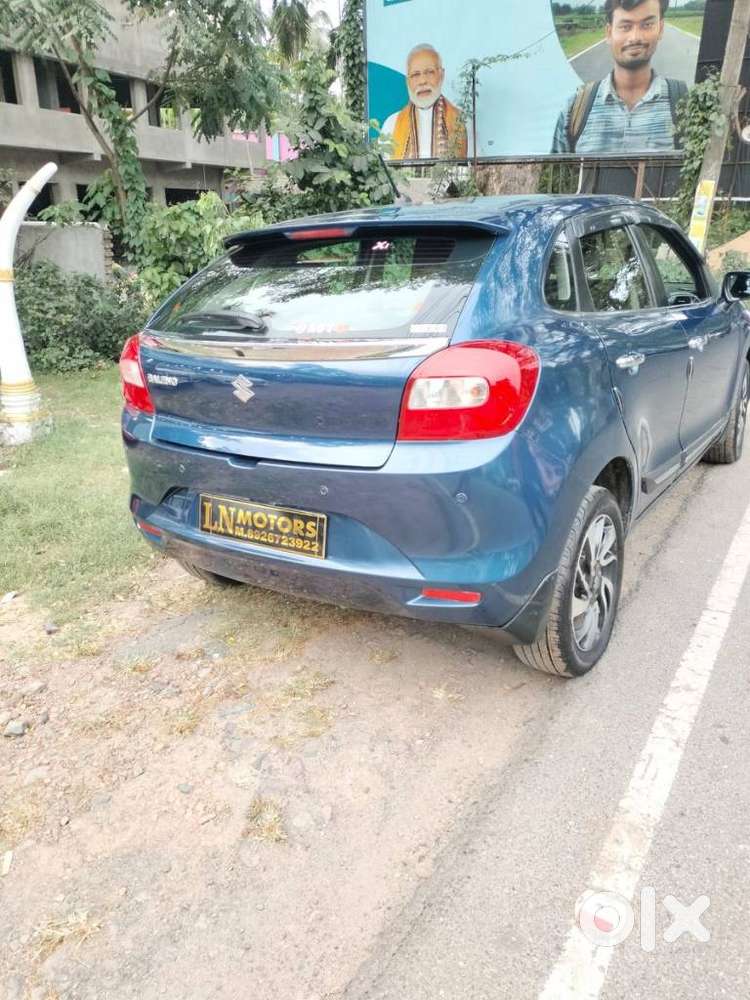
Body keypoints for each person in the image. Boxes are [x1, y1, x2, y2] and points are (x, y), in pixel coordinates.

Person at [551, 0, 688, 155]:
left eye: (647, 25)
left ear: (661, 28)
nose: (635, 37)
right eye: (625, 26)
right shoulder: (575, 110)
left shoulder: (685, 105)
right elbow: (554, 177)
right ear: (609, 32)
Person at [381, 44, 468, 160]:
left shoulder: (462, 121)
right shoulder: (391, 124)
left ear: (441, 75)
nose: (422, 81)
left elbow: (476, 170)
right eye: (415, 75)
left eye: (429, 72)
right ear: (407, 81)